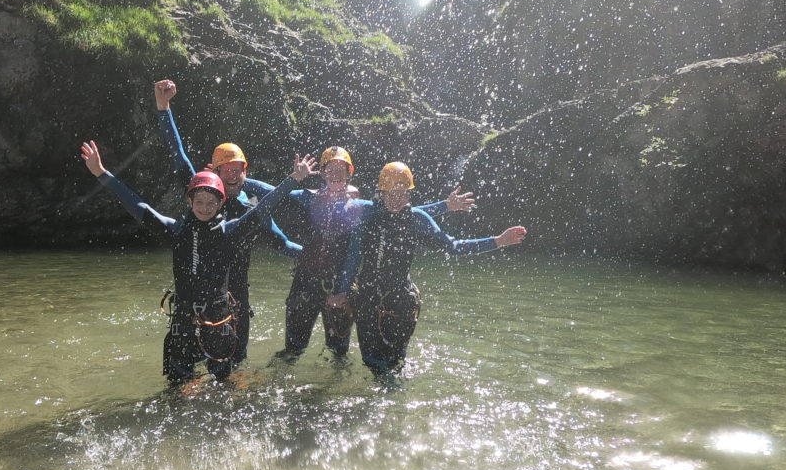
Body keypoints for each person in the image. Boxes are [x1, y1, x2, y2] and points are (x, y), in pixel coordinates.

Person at [79, 139, 313, 384]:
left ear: (221, 203)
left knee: (223, 388)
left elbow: (262, 209)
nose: (205, 207)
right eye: (199, 201)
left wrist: (292, 181)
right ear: (189, 202)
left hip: (220, 322)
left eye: (211, 202)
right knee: (177, 389)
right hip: (183, 322)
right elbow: (139, 206)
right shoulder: (176, 231)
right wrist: (102, 174)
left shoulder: (230, 232)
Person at [272, 148, 477, 362]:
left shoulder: (359, 207)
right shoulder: (307, 198)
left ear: (350, 173)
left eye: (341, 169)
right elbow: (269, 199)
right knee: (292, 351)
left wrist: (444, 206)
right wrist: (294, 179)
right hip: (306, 283)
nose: (335, 174)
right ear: (321, 172)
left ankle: (335, 391)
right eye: (330, 168)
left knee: (339, 355)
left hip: (341, 286)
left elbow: (400, 212)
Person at [153, 80, 301, 366]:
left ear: (245, 172)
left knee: (233, 365)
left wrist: (316, 256)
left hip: (235, 297)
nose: (232, 175)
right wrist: (164, 107)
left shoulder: (251, 209)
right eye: (226, 169)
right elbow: (178, 155)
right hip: (196, 295)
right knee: (187, 368)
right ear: (214, 170)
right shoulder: (202, 194)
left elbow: (281, 242)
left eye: (238, 169)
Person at [335, 161, 527, 376]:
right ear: (381, 192)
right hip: (368, 297)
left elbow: (452, 246)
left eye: (403, 193)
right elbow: (352, 255)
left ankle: (395, 399)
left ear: (409, 193)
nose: (397, 199)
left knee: (395, 362)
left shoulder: (416, 218)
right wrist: (342, 289)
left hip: (400, 299)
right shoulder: (365, 213)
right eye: (391, 194)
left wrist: (497, 241)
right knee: (371, 361)